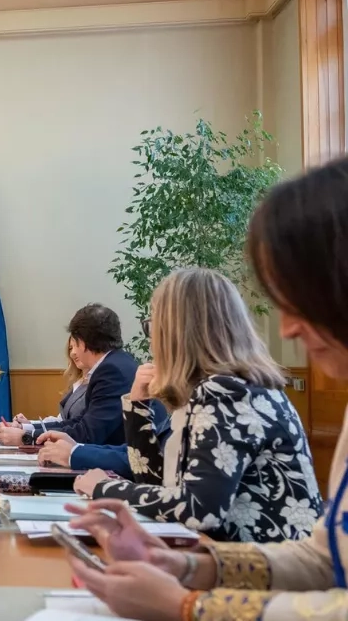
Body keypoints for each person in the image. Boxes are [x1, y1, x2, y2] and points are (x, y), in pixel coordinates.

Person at [66, 158, 348, 619]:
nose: (288, 328)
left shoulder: (227, 393)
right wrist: (183, 566)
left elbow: (198, 510)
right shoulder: (208, 392)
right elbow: (325, 561)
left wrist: (188, 602)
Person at [73, 268, 320, 542]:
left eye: (152, 326)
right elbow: (157, 484)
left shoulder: (227, 392)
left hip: (268, 561)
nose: (151, 339)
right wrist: (137, 405)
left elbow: (198, 509)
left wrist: (105, 488)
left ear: (177, 332)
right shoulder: (219, 387)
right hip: (234, 554)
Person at [0, 304, 138, 446]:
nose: (73, 352)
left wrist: (26, 438)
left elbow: (88, 434)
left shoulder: (111, 371)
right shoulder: (118, 362)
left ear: (82, 341)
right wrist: (27, 429)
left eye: (74, 343)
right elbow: (79, 422)